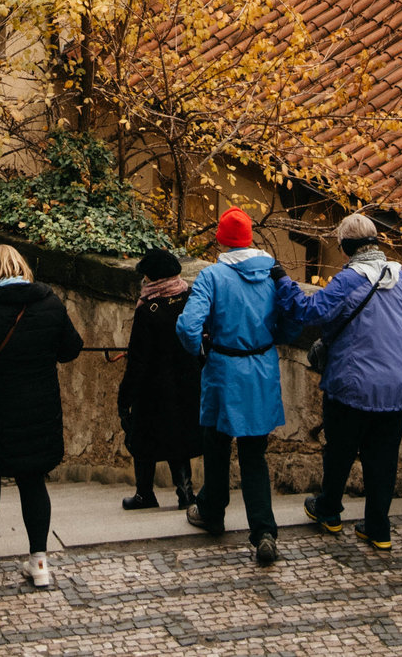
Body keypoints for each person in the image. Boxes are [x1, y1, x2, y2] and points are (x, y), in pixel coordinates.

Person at [278, 214, 402, 552]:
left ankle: (329, 510)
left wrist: (282, 280)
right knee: (384, 457)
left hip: (355, 383)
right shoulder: (401, 279)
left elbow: (309, 311)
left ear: (345, 248)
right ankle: (379, 528)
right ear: (375, 241)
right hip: (398, 385)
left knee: (341, 449)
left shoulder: (350, 280)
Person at [0, 243, 84, 589]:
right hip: (38, 409)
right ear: (22, 267)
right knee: (32, 479)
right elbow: (71, 348)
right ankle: (39, 561)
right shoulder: (49, 302)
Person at [176, 208, 286, 567]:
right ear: (250, 237)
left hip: (224, 369)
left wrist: (201, 353)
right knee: (255, 454)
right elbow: (294, 319)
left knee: (217, 445)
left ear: (221, 239)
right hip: (262, 370)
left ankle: (212, 511)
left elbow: (188, 327)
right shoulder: (272, 274)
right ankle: (264, 532)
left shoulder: (212, 276)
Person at [118, 247, 203, 512]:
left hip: (153, 387)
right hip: (188, 382)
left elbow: (138, 357)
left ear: (153, 279)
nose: (143, 282)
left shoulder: (148, 308)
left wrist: (125, 395)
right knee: (178, 437)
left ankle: (144, 494)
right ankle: (186, 493)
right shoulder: (189, 296)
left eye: (145, 277)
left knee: (141, 437)